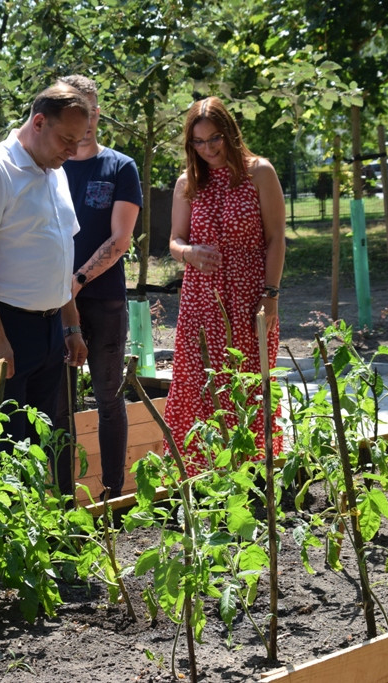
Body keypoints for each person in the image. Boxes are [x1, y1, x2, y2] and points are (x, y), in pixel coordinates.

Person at [0, 82, 91, 465]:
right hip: (4, 325)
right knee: (3, 450)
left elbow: (61, 253)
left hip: (50, 331)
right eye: (66, 139)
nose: (72, 151)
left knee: (38, 445)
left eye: (79, 141)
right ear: (38, 122)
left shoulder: (55, 171)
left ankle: (34, 523)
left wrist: (71, 325)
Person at [164, 96, 286, 475]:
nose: (208, 149)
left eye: (214, 138)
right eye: (198, 142)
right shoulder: (188, 181)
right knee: (201, 381)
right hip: (201, 298)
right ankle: (203, 476)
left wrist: (271, 296)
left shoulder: (259, 172)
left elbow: (276, 239)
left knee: (249, 382)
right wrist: (189, 254)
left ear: (229, 133)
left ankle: (254, 474)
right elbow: (174, 241)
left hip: (250, 294)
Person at [52, 74, 142, 501]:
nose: (82, 123)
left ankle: (112, 491)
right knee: (60, 405)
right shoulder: (50, 167)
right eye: (72, 112)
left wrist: (77, 279)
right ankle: (63, 495)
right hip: (52, 302)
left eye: (87, 111)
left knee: (109, 397)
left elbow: (119, 240)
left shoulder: (120, 167)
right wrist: (58, 288)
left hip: (103, 300)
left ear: (96, 113)